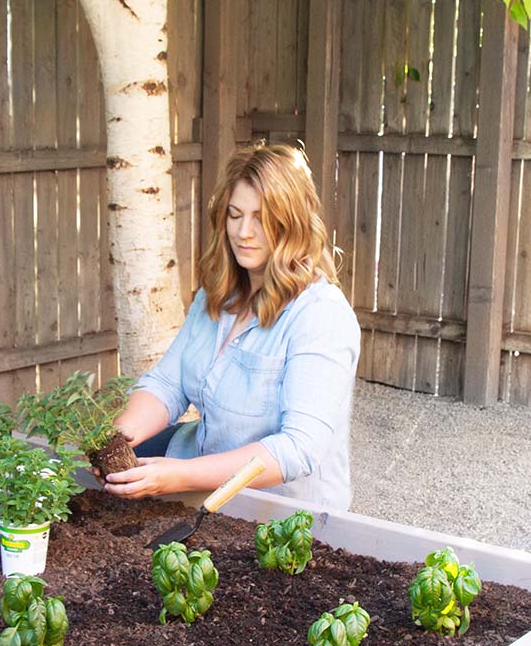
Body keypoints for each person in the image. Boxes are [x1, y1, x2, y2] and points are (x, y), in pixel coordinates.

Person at [104, 143, 361, 512]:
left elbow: (296, 449)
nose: (243, 232)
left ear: (291, 222)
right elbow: (168, 383)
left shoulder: (321, 317)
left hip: (277, 509)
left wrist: (180, 475)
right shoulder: (218, 295)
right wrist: (120, 439)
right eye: (235, 215)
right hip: (199, 470)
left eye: (260, 218)